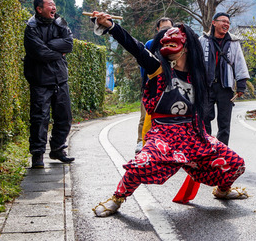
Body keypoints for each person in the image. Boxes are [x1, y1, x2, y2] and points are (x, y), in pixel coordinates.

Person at [90, 12, 247, 217]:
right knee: (140, 165)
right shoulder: (157, 68)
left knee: (236, 163)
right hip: (164, 135)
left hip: (193, 136)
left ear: (186, 48)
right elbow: (135, 47)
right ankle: (117, 197)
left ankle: (222, 190)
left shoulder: (198, 75)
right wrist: (111, 26)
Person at [24, 0, 75, 168]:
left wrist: (48, 45)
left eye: (54, 4)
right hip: (39, 79)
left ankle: (58, 149)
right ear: (39, 9)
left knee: (65, 116)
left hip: (60, 78)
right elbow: (39, 53)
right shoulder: (31, 27)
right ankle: (37, 155)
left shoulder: (60, 23)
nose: (54, 7)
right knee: (40, 118)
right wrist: (57, 52)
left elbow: (69, 44)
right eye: (50, 5)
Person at [199, 12, 250, 145]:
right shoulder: (202, 40)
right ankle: (206, 149)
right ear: (214, 23)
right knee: (204, 119)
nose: (226, 24)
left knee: (224, 122)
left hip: (225, 86)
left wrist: (241, 86)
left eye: (228, 22)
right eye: (223, 21)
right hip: (206, 86)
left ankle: (222, 153)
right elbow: (196, 64)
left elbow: (239, 62)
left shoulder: (233, 42)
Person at [135, 17, 174, 153]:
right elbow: (143, 67)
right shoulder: (150, 44)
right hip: (151, 86)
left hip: (170, 88)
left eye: (169, 28)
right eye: (163, 28)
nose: (166, 31)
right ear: (157, 29)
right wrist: (146, 82)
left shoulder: (175, 44)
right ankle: (141, 141)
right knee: (145, 116)